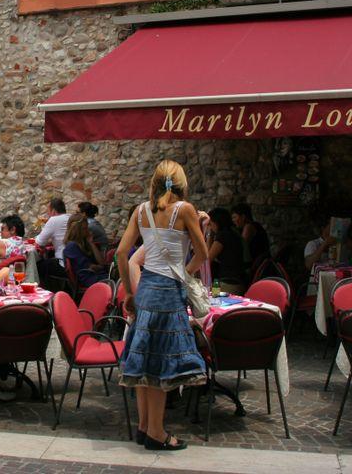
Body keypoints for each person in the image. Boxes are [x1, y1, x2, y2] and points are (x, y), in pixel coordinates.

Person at [116, 160, 208, 451]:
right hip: (168, 293)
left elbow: (121, 253)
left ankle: (144, 427)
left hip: (145, 291)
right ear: (180, 183)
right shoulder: (185, 210)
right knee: (160, 364)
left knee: (144, 359)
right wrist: (185, 273)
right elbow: (202, 253)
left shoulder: (140, 211)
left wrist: (129, 291)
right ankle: (157, 432)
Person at [63, 212, 109, 288]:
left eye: (87, 227)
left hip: (98, 275)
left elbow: (102, 262)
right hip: (89, 279)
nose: (87, 230)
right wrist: (101, 267)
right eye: (84, 229)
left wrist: (91, 243)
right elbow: (90, 267)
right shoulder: (71, 246)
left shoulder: (85, 242)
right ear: (77, 230)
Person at [206, 207, 245, 294]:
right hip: (238, 281)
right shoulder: (232, 233)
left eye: (210, 223)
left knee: (211, 300)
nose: (210, 226)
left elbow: (207, 259)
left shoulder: (223, 236)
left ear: (216, 222)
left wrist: (209, 234)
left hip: (228, 284)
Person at [231, 203, 270, 273]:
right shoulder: (255, 225)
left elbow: (241, 248)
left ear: (243, 217)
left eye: (234, 217)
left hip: (255, 266)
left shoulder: (248, 227)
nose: (233, 220)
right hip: (260, 263)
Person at [36, 197, 70, 262]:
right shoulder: (70, 217)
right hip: (74, 260)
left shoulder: (53, 220)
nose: (48, 214)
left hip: (63, 261)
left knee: (39, 265)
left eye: (48, 211)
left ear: (53, 211)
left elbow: (40, 242)